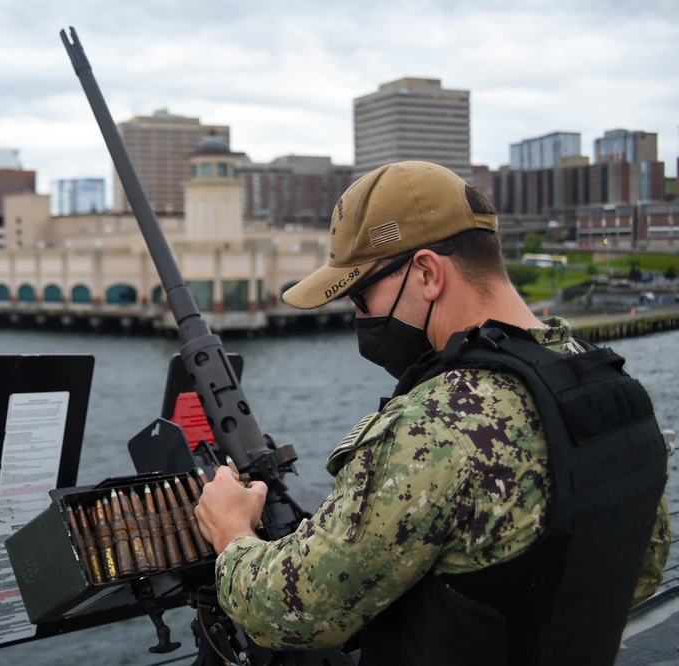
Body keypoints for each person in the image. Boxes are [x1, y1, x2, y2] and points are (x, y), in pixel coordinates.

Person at [194, 161, 671, 665]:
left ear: (427, 273)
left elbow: (288, 611)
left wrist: (232, 533)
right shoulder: (615, 388)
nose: (359, 316)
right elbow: (644, 569)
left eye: (360, 294)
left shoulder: (435, 426)